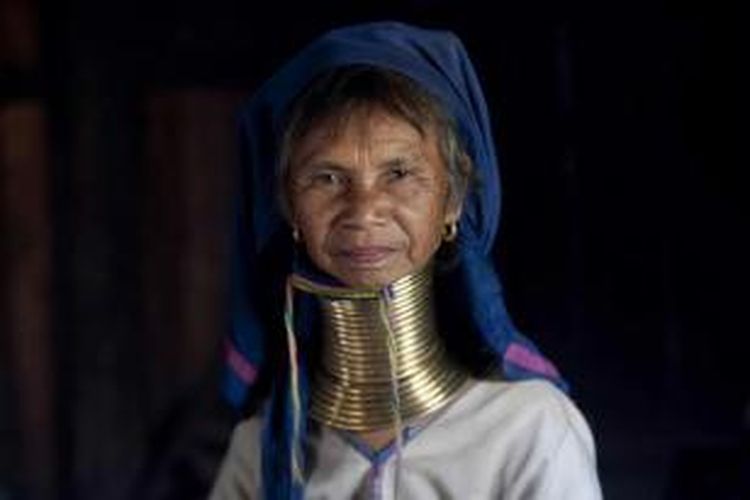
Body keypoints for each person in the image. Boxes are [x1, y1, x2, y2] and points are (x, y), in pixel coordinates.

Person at [210, 22, 602, 499]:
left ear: (453, 198)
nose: (363, 210)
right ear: (289, 208)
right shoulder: (262, 451)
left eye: (399, 172)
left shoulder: (528, 432)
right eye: (327, 178)